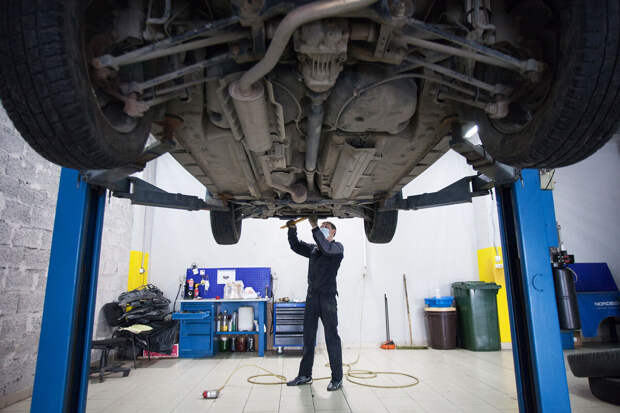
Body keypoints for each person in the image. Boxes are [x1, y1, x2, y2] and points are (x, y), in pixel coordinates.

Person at [285, 216, 345, 391]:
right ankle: (305, 375)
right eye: (322, 225)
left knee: (331, 337)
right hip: (312, 298)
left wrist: (314, 226)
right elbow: (296, 246)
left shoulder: (337, 248)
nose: (323, 227)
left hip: (327, 299)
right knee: (308, 337)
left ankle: (337, 378)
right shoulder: (314, 250)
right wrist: (292, 229)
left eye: (327, 226)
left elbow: (326, 248)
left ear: (333, 232)